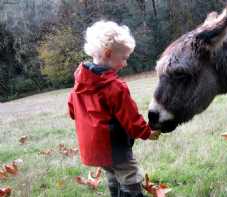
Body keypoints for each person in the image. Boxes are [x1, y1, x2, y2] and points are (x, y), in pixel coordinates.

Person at [67, 20, 160, 197]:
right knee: (130, 175)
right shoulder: (115, 87)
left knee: (112, 172)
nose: (125, 63)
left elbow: (73, 112)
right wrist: (147, 132)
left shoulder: (79, 84)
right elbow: (130, 119)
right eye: (124, 58)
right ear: (109, 54)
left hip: (92, 149)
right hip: (113, 145)